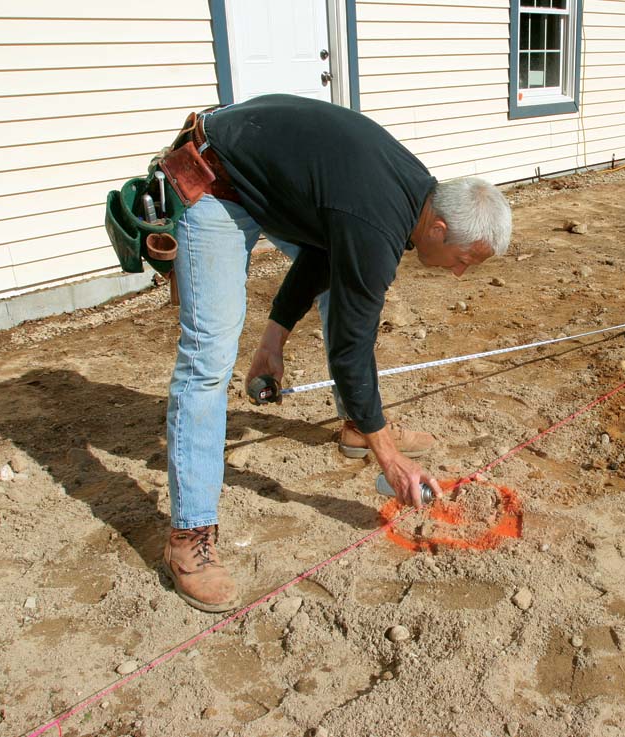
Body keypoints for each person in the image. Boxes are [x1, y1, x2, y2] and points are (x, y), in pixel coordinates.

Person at [159, 94, 512, 612]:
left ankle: (357, 427)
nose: (458, 273)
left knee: (341, 286)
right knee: (207, 358)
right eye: (462, 261)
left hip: (272, 183)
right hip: (215, 179)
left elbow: (325, 246)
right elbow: (351, 344)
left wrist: (272, 342)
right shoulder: (377, 222)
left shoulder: (414, 194)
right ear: (438, 229)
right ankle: (189, 538)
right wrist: (389, 461)